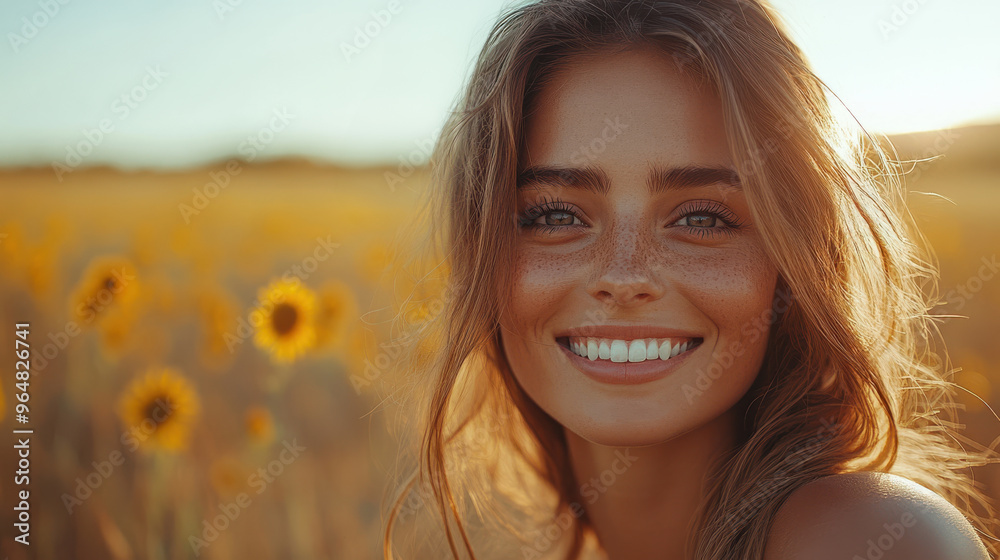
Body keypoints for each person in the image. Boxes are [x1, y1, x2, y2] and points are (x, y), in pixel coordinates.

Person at [382, 1, 1000, 558]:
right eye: (555, 215)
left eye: (702, 218)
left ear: (794, 261)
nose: (624, 277)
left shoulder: (869, 541)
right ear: (483, 255)